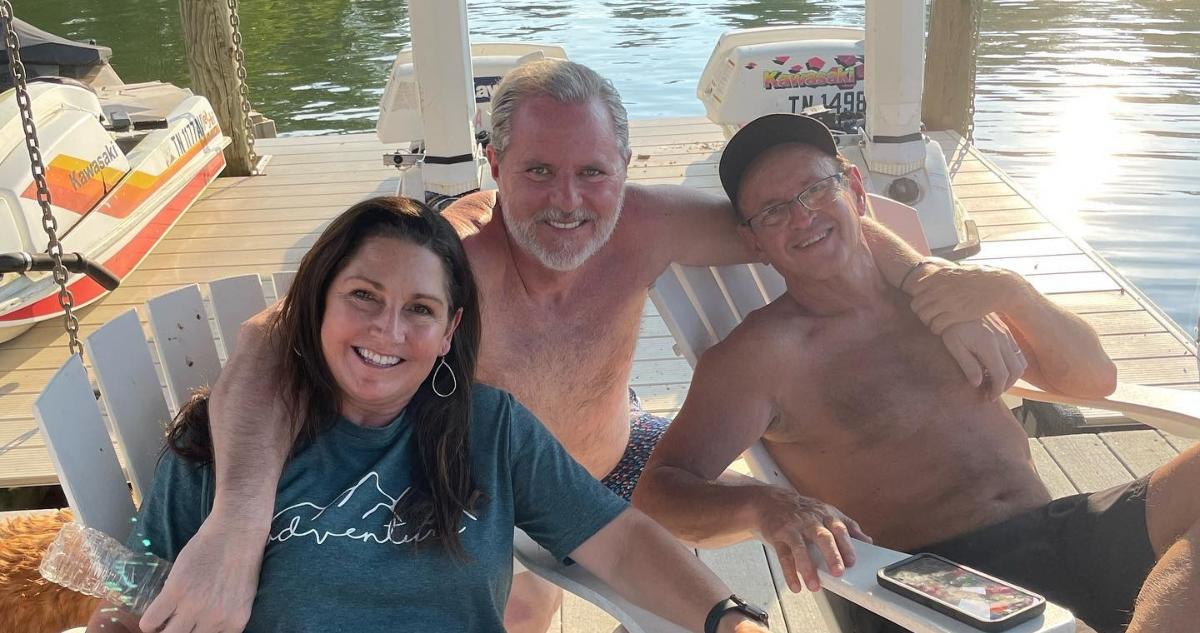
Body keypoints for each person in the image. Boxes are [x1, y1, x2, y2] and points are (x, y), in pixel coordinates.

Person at [141, 60, 1024, 633]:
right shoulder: (450, 265)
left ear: (624, 168)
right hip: (487, 487)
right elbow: (272, 340)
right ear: (495, 164)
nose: (569, 200)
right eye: (539, 172)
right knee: (514, 597)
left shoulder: (648, 224)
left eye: (593, 172)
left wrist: (927, 285)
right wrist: (240, 521)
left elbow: (806, 218)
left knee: (743, 499)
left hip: (618, 461)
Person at [85, 197, 777, 633]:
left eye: (420, 309)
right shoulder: (223, 444)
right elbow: (135, 583)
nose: (389, 330)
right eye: (363, 295)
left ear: (449, 332)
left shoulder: (489, 428)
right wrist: (117, 617)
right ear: (318, 303)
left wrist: (727, 618)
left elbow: (619, 539)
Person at [633, 113, 1200, 633]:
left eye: (814, 189)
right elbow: (660, 491)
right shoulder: (760, 356)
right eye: (774, 211)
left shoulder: (945, 297)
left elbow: (1095, 379)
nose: (803, 216)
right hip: (944, 585)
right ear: (753, 240)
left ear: (854, 190)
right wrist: (764, 506)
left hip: (1063, 530)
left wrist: (1010, 291)